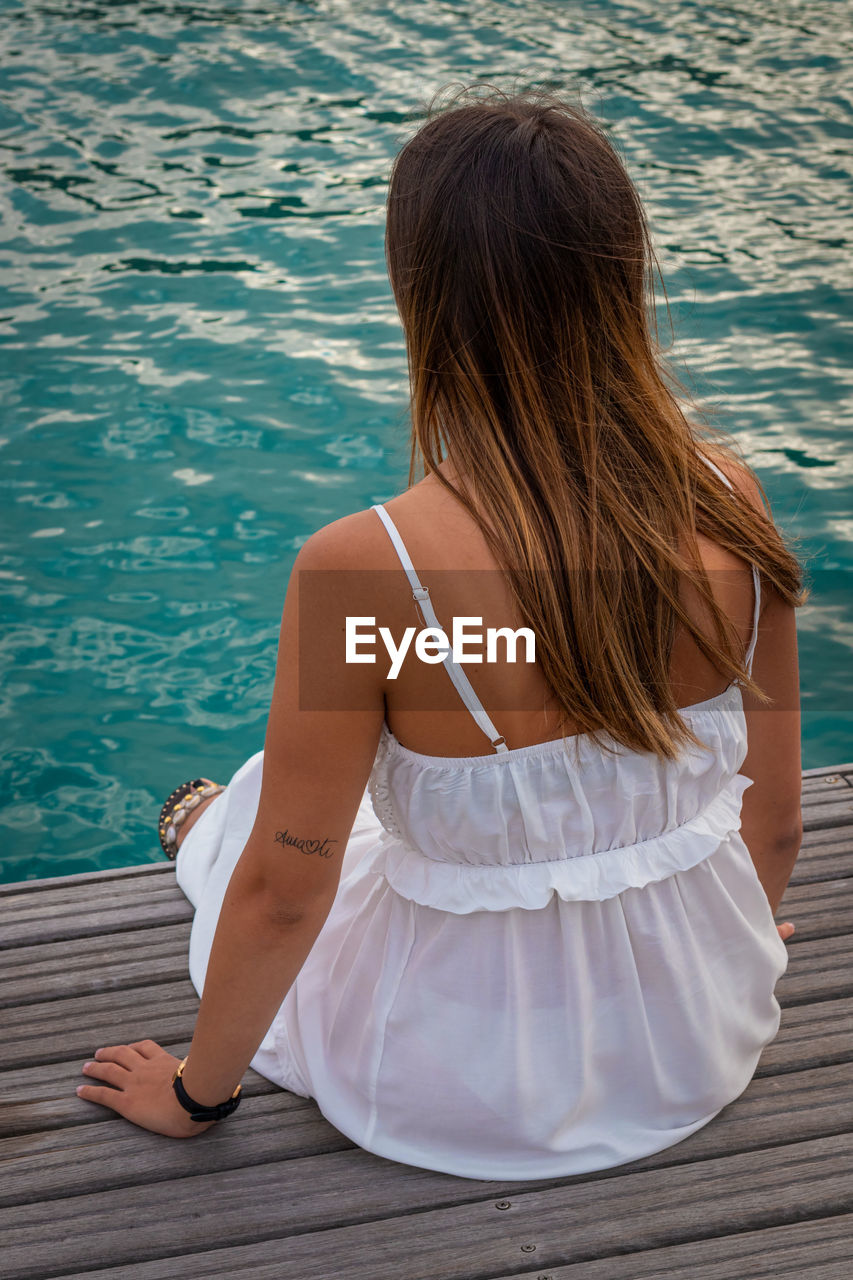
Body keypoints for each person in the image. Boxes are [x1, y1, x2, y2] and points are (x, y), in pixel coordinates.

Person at [76, 87, 807, 1179]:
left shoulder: (368, 567)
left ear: (421, 290)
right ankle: (207, 818)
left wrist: (197, 1095)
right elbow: (777, 824)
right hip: (688, 1046)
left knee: (277, 818)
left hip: (460, 1084)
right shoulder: (726, 500)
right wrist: (721, 951)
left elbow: (289, 893)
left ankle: (196, 820)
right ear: (618, 273)